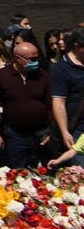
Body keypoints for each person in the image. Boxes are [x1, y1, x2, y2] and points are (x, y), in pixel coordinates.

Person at [50, 29, 84, 167]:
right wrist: (64, 131)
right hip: (76, 127)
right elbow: (58, 102)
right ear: (77, 46)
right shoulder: (62, 69)